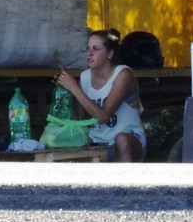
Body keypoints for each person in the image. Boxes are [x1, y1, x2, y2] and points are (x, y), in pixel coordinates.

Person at [54, 28, 147, 162]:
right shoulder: (85, 77)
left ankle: (127, 182)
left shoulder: (123, 74)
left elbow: (102, 116)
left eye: (96, 49)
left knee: (121, 139)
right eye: (88, 48)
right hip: (97, 142)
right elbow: (78, 121)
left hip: (130, 141)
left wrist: (74, 88)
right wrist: (66, 93)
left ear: (110, 53)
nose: (89, 53)